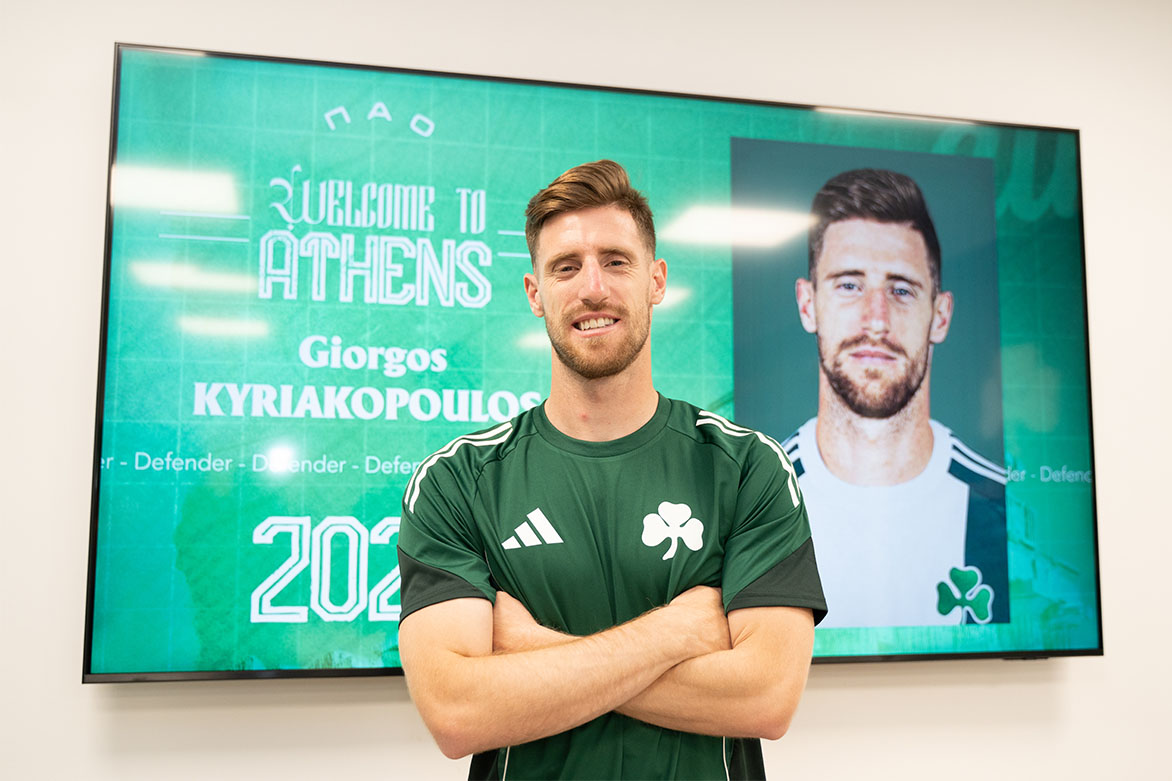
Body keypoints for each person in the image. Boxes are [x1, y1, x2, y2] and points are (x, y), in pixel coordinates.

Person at [397, 159, 826, 780]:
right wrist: (676, 632)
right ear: (535, 293)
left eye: (616, 261)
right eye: (565, 267)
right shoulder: (457, 481)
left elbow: (765, 699)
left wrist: (529, 647)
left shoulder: (747, 468)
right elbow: (457, 713)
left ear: (656, 280)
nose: (592, 288)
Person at [785, 168, 1008, 629]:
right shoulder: (752, 504)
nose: (876, 321)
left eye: (901, 290)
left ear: (940, 315)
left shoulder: (1007, 514)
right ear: (808, 305)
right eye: (849, 285)